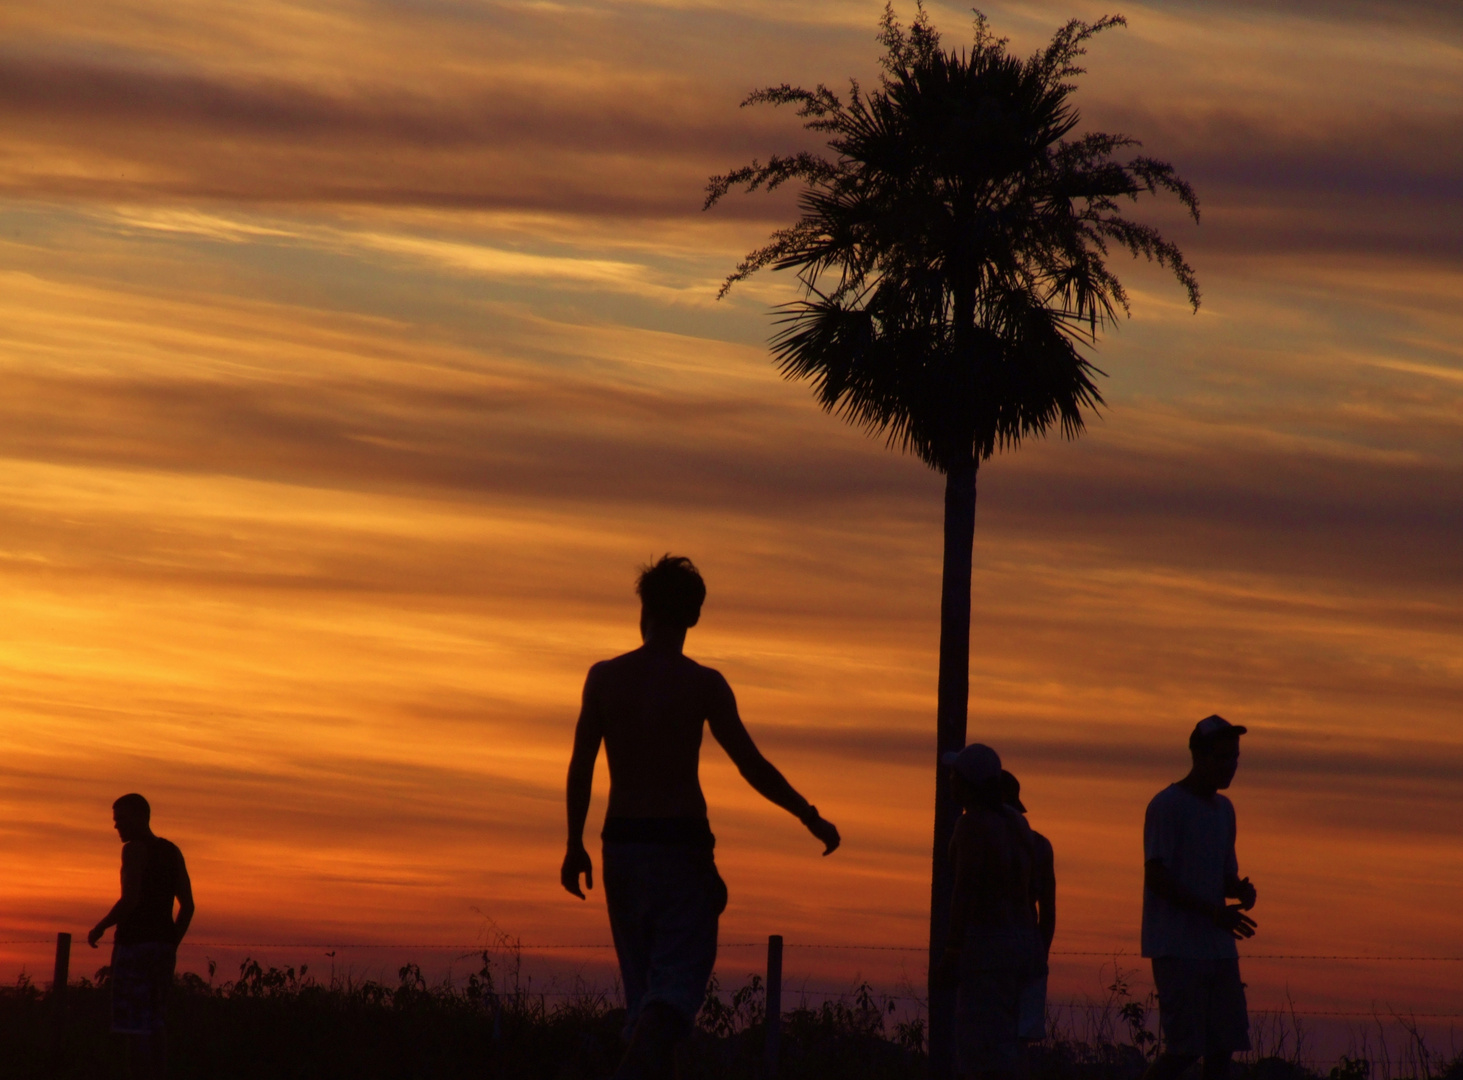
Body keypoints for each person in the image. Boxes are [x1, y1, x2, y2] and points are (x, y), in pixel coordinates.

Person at [560, 555, 840, 1080]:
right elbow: (751, 764)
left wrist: (574, 843)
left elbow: (581, 767)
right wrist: (808, 815)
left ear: (644, 611)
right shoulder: (703, 684)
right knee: (669, 1001)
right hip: (680, 848)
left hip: (621, 847)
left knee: (648, 999)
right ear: (693, 617)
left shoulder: (605, 678)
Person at [1141, 715, 1257, 1080]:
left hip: (1218, 950)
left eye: (1234, 758)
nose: (1230, 766)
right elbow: (1157, 877)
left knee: (1222, 1048)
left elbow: (1223, 875)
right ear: (1198, 756)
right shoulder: (1167, 805)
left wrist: (1239, 890)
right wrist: (1213, 913)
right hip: (1178, 949)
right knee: (1184, 1049)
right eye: (1222, 758)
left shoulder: (1225, 810)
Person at [940, 744, 1042, 1080]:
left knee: (980, 1051)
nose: (950, 780)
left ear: (966, 784)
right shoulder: (1016, 823)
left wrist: (953, 949)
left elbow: (965, 889)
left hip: (988, 946)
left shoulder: (972, 827)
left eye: (954, 775)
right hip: (1023, 942)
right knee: (1009, 1046)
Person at [88, 793, 195, 1080]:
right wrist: (170, 944)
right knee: (156, 1023)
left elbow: (130, 899)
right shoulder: (172, 851)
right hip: (161, 949)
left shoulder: (134, 850)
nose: (116, 827)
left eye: (121, 819)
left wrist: (101, 926)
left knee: (134, 1029)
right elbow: (188, 906)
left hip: (134, 947)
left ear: (139, 817)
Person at [1001, 770, 1054, 1049]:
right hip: (1029, 947)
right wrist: (1039, 952)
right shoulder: (1040, 845)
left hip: (995, 951)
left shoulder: (978, 840)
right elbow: (1048, 913)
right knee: (1018, 1047)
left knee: (985, 1045)